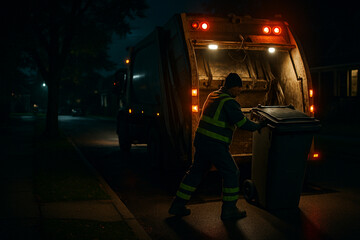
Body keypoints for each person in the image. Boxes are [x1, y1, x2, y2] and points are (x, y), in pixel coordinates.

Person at [168, 73, 266, 220]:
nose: (240, 92)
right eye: (239, 88)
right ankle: (229, 210)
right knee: (232, 172)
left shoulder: (213, 95)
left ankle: (177, 205)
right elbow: (242, 123)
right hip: (215, 145)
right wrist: (259, 125)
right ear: (232, 87)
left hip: (202, 142)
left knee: (195, 173)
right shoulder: (229, 102)